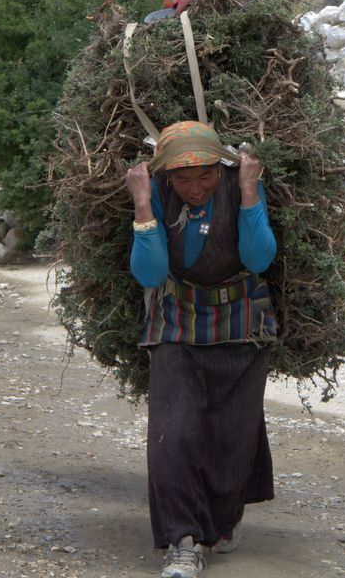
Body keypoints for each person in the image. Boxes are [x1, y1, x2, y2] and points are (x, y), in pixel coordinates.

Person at [126, 120, 278, 578]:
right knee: (172, 434)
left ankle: (222, 522)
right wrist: (140, 203)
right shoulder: (155, 193)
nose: (195, 187)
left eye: (206, 175)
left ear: (221, 167)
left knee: (233, 436)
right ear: (166, 176)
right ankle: (183, 541)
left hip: (243, 322)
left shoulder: (240, 186)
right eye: (183, 178)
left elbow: (258, 259)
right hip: (176, 320)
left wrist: (249, 193)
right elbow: (150, 275)